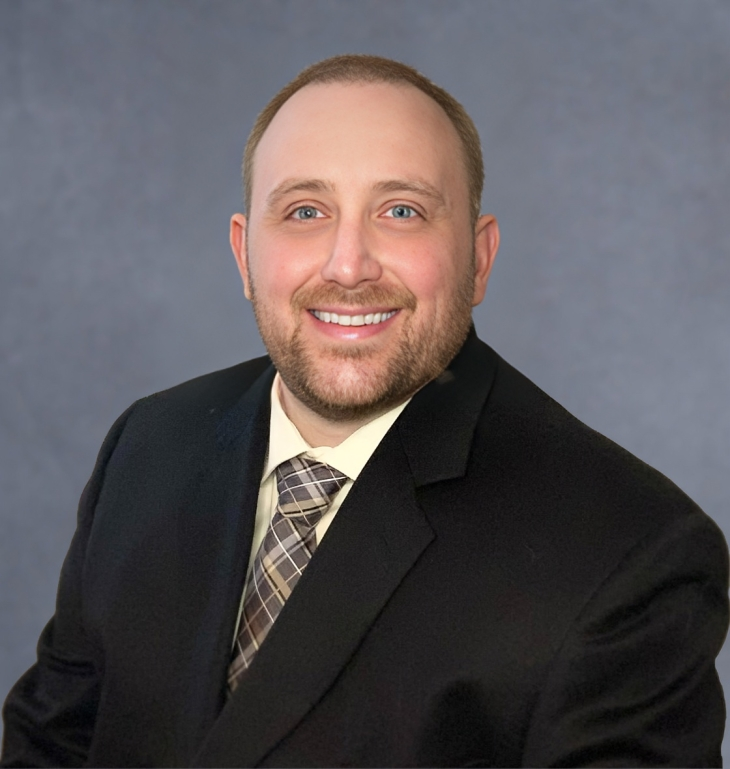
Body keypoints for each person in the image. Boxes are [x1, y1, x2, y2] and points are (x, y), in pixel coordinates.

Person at [1, 54, 728, 769]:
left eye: (401, 211)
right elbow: (51, 745)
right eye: (305, 211)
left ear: (478, 259)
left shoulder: (628, 552)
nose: (349, 266)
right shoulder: (149, 446)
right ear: (243, 252)